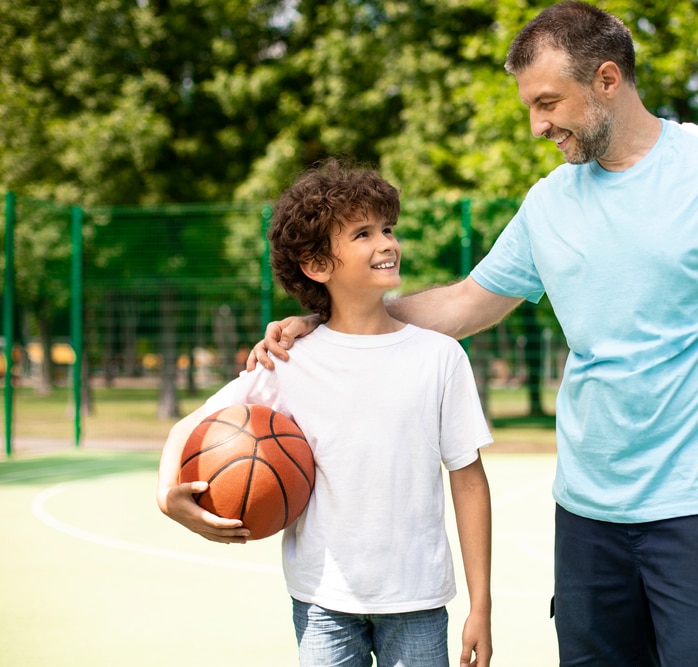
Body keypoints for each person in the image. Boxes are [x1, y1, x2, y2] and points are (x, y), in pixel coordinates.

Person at [251, 2, 698, 665]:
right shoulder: (549, 203)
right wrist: (328, 316)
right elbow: (467, 303)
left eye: (548, 102)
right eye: (529, 105)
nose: (537, 124)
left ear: (607, 80)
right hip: (586, 515)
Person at [157, 159, 494, 667]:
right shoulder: (288, 361)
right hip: (322, 602)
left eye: (387, 228)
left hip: (418, 599)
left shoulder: (439, 356)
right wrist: (167, 496)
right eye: (362, 233)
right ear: (317, 265)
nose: (386, 243)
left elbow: (468, 481)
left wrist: (481, 604)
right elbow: (189, 427)